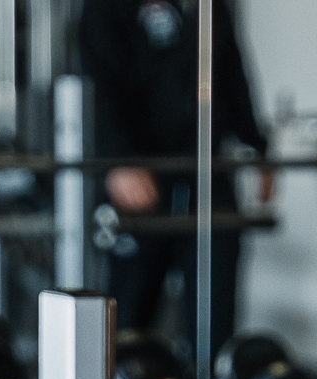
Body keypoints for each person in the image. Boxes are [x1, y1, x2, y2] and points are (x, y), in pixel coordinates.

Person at [77, 0, 265, 358]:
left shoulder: (209, 6)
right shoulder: (107, 9)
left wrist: (257, 146)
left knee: (217, 311)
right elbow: (98, 83)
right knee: (131, 314)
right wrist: (119, 162)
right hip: (140, 174)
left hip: (206, 169)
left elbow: (232, 68)